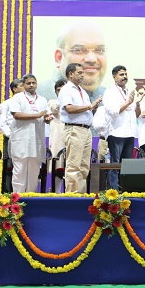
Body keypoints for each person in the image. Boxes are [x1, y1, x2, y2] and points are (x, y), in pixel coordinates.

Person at [58, 62, 103, 193]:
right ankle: (72, 196)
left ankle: (81, 194)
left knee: (84, 166)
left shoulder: (82, 90)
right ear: (70, 74)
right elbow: (69, 108)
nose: (83, 75)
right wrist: (89, 106)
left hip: (86, 129)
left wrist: (93, 108)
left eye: (83, 72)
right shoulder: (66, 90)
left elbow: (86, 111)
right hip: (74, 129)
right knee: (73, 165)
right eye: (80, 72)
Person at [38, 21, 108, 102]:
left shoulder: (111, 98)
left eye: (100, 50)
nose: (92, 59)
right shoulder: (38, 98)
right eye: (78, 50)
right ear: (59, 57)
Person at [9, 74, 51, 193]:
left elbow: (45, 116)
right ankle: (17, 198)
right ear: (23, 85)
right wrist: (37, 115)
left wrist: (47, 119)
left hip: (36, 140)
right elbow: (16, 115)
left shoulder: (42, 99)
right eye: (28, 83)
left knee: (34, 171)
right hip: (21, 139)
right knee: (19, 170)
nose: (31, 85)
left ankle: (31, 197)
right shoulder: (17, 98)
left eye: (34, 82)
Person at [102, 65, 141, 191]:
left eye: (125, 74)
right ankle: (113, 191)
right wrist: (128, 102)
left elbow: (136, 114)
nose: (124, 77)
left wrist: (137, 104)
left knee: (127, 165)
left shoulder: (130, 92)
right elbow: (113, 111)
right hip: (116, 133)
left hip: (130, 133)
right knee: (115, 164)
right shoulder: (109, 92)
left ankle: (126, 190)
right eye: (121, 74)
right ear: (114, 77)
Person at [0, 79, 24, 192]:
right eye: (22, 85)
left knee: (24, 165)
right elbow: (2, 123)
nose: (25, 87)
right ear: (14, 89)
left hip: (25, 138)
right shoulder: (6, 104)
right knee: (10, 165)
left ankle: (24, 191)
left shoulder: (26, 103)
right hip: (11, 138)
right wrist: (12, 135)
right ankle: (8, 192)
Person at [47, 79, 66, 159]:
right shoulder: (52, 102)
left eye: (63, 90)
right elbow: (54, 109)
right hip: (57, 137)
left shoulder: (73, 104)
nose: (61, 92)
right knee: (57, 161)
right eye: (59, 90)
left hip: (70, 135)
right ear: (56, 92)